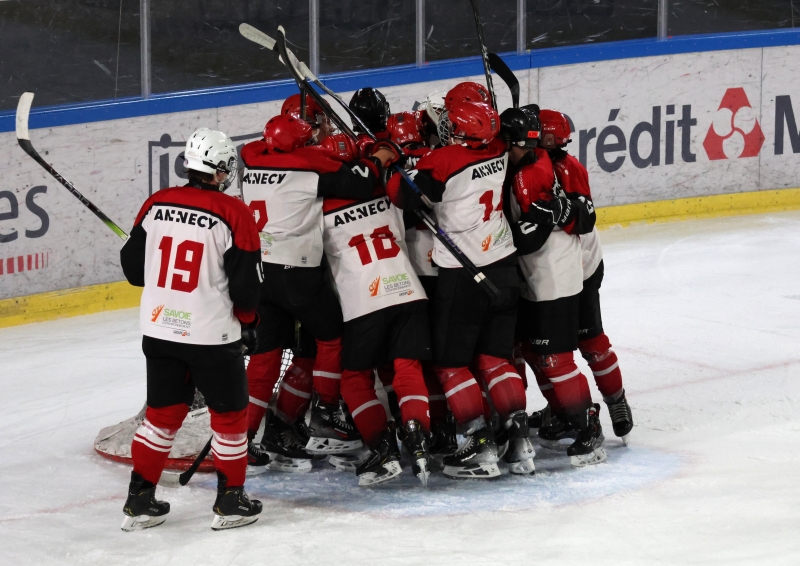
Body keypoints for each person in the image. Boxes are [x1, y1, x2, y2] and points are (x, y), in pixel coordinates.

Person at [119, 127, 263, 531]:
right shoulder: (235, 212)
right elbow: (247, 286)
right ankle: (230, 502)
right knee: (231, 418)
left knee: (161, 417)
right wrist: (249, 324)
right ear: (219, 170)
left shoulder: (156, 202)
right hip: (211, 336)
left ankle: (139, 500)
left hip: (160, 329)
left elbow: (133, 272)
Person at [240, 112, 399, 461]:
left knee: (265, 358)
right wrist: (378, 157)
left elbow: (258, 148)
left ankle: (242, 439)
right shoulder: (307, 167)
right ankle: (327, 411)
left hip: (260, 275)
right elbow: (357, 184)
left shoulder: (251, 160)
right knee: (331, 337)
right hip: (297, 275)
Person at [387, 95, 532, 479]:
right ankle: (519, 440)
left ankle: (478, 445)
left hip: (463, 276)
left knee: (451, 365)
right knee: (495, 359)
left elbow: (402, 197)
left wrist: (396, 167)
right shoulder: (500, 149)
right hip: (503, 265)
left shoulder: (443, 160)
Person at [322, 137, 433, 486]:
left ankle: (382, 447)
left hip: (363, 300)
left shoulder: (318, 205)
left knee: (354, 379)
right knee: (407, 367)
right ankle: (417, 435)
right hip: (407, 289)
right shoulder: (389, 189)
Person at [502, 106, 606, 467]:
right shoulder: (535, 161)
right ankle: (563, 414)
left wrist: (499, 241)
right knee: (534, 352)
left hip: (554, 276)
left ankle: (588, 428)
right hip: (539, 275)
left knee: (555, 359)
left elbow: (531, 238)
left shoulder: (530, 176)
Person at [538, 108, 634, 444]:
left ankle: (616, 401)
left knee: (589, 341)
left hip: (581, 268)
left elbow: (583, 220)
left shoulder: (568, 169)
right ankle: (565, 408)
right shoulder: (534, 164)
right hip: (558, 270)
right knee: (549, 350)